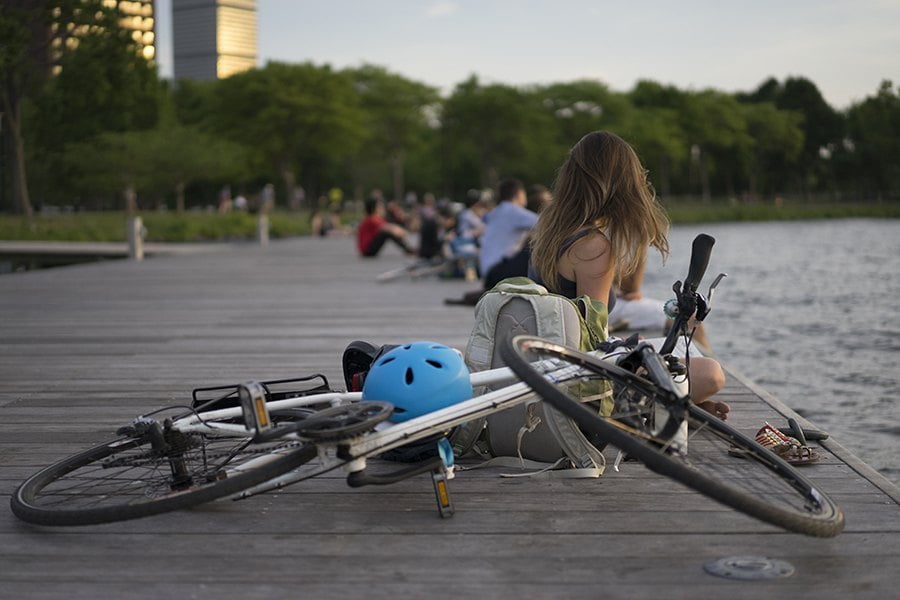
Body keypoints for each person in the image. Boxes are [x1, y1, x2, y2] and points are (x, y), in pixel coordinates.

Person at [528, 131, 727, 419]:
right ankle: (663, 404)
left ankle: (678, 402)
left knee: (677, 352)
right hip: (575, 383)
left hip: (550, 364)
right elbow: (594, 345)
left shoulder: (551, 227)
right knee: (711, 374)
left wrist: (635, 345)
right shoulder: (593, 246)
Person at [479, 178, 538, 286]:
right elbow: (547, 225)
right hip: (499, 271)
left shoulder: (497, 211)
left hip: (488, 273)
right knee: (536, 249)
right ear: (519, 194)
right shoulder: (513, 211)